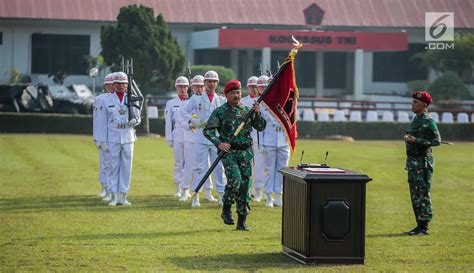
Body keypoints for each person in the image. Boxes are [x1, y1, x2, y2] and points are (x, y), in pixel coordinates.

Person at [203, 80, 266, 230]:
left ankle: (242, 221)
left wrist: (257, 114)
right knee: (235, 179)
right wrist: (219, 143)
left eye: (238, 92)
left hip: (245, 153)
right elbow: (208, 131)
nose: (236, 95)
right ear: (226, 95)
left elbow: (260, 127)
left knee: (245, 186)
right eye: (233, 93)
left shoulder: (247, 110)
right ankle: (226, 207)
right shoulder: (220, 111)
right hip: (229, 152)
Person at [183, 70, 227, 207]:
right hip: (201, 136)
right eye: (209, 81)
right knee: (199, 167)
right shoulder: (196, 98)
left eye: (214, 81)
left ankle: (221, 194)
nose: (211, 84)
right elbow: (183, 112)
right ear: (204, 83)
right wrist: (193, 121)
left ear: (217, 83)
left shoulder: (221, 99)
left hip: (217, 138)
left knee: (219, 167)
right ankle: (195, 194)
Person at [98, 71, 141, 206]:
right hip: (113, 135)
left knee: (126, 167)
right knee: (113, 166)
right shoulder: (107, 100)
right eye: (118, 83)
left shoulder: (132, 98)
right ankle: (113, 195)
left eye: (123, 84)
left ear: (127, 85)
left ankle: (123, 195)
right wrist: (103, 141)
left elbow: (138, 116)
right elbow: (102, 123)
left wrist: (136, 121)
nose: (120, 86)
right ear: (113, 84)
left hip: (128, 135)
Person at [404, 91, 440, 235]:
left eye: (416, 102)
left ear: (424, 105)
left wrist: (416, 140)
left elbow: (436, 141)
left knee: (422, 193)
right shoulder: (416, 120)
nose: (413, 104)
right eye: (413, 102)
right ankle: (419, 225)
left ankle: (424, 227)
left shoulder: (428, 121)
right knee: (415, 194)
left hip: (422, 162)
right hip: (413, 162)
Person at [257, 75, 290, 208]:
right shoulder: (262, 102)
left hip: (283, 139)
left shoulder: (285, 101)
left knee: (282, 169)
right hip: (269, 139)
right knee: (269, 169)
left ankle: (279, 195)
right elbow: (259, 125)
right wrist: (261, 143)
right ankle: (269, 196)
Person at [240, 76, 266, 202]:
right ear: (247, 87)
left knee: (259, 165)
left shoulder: (264, 100)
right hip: (247, 137)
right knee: (246, 165)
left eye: (256, 86)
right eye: (251, 86)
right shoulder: (243, 101)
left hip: (260, 137)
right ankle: (247, 190)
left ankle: (258, 190)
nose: (254, 89)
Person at [179, 75, 205, 201]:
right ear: (192, 88)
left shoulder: (209, 100)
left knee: (204, 166)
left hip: (204, 137)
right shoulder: (188, 102)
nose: (199, 89)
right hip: (190, 136)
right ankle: (185, 190)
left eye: (201, 86)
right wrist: (190, 124)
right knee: (189, 165)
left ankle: (208, 191)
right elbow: (181, 119)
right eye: (196, 86)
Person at [165, 76, 189, 198]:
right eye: (180, 86)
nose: (182, 89)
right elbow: (168, 122)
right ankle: (177, 188)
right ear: (176, 87)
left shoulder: (192, 101)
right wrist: (169, 138)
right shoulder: (171, 103)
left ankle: (186, 188)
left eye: (185, 86)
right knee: (179, 162)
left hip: (190, 134)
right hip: (178, 134)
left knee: (189, 163)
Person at [92, 73, 115, 202]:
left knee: (113, 165)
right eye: (109, 85)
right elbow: (97, 120)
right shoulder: (100, 99)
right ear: (105, 86)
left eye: (113, 84)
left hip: (114, 136)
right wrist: (97, 137)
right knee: (105, 164)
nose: (111, 87)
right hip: (103, 137)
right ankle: (105, 188)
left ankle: (111, 190)